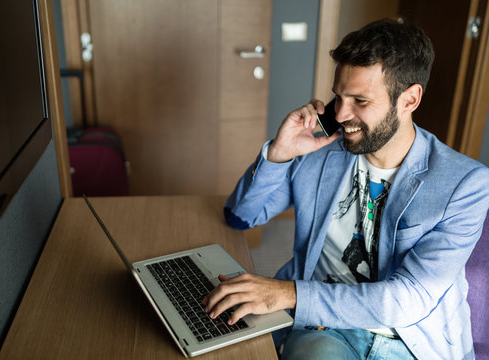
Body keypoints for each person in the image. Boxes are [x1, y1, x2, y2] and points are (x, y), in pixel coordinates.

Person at [202, 18, 489, 359]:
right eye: (338, 96)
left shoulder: (466, 183)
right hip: (323, 328)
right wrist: (279, 154)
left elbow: (408, 299)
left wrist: (289, 294)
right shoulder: (320, 147)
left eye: (360, 101)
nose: (340, 113)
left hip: (411, 342)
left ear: (410, 99)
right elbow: (240, 217)